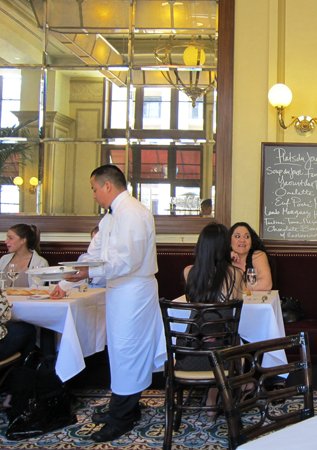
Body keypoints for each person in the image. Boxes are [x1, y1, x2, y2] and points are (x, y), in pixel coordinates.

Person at [50, 164, 166, 442]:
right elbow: (92, 255)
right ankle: (125, 406)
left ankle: (121, 416)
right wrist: (65, 283)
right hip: (118, 292)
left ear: (107, 186)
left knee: (129, 352)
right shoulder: (109, 219)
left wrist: (89, 273)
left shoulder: (134, 213)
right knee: (119, 351)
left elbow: (130, 260)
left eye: (94, 189)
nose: (93, 195)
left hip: (135, 293)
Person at [180, 223, 244, 419]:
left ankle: (209, 397)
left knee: (212, 338)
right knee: (231, 339)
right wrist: (237, 264)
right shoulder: (235, 275)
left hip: (190, 354)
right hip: (222, 358)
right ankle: (217, 396)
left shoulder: (189, 272)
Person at [230, 222, 273, 291]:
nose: (242, 240)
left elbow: (266, 284)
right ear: (229, 241)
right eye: (237, 236)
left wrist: (234, 288)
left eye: (246, 237)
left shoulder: (258, 255)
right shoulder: (224, 256)